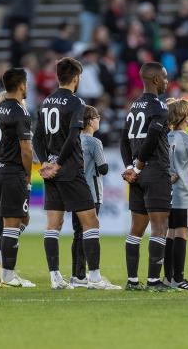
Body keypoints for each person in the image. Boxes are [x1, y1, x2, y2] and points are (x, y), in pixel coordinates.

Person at [34, 58, 120, 290]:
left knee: (54, 224)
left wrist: (46, 162)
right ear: (75, 78)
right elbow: (73, 138)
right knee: (91, 222)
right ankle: (93, 277)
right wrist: (60, 164)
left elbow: (37, 138)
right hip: (70, 171)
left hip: (51, 172)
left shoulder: (46, 102)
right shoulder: (76, 103)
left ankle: (55, 278)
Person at [120, 62, 176, 292]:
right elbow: (152, 138)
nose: (167, 81)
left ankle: (133, 281)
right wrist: (140, 167)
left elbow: (123, 139)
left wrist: (130, 166)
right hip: (153, 172)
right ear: (155, 80)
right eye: (164, 78)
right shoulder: (160, 108)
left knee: (136, 229)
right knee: (159, 227)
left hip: (137, 175)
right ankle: (154, 280)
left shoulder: (134, 106)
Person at [0, 68, 35, 288]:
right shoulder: (19, 111)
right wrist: (27, 176)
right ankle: (8, 275)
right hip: (11, 172)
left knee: (12, 223)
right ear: (22, 85)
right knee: (12, 225)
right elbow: (26, 149)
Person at [163, 97, 188, 290]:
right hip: (185, 193)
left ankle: (168, 278)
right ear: (184, 116)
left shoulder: (164, 138)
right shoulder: (187, 139)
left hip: (168, 195)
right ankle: (179, 279)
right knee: (182, 233)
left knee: (170, 233)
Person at [70, 105, 108, 288]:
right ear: (91, 121)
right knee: (90, 232)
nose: (99, 119)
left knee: (77, 234)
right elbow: (103, 168)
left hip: (74, 191)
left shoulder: (74, 139)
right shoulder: (94, 143)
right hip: (92, 193)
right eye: (97, 116)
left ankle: (77, 274)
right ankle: (90, 275)